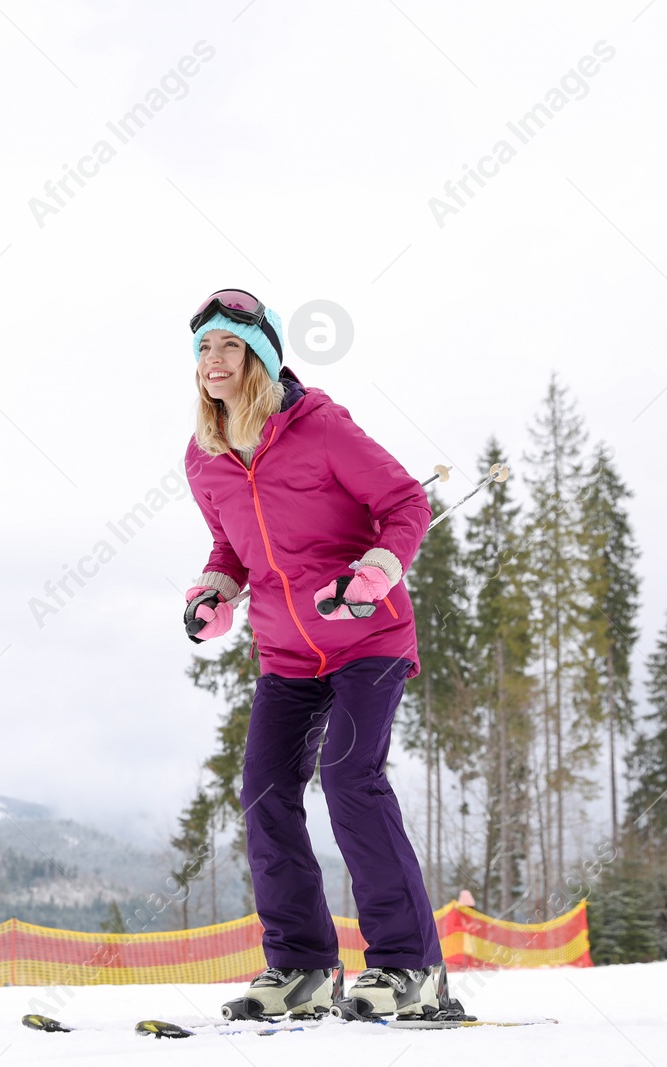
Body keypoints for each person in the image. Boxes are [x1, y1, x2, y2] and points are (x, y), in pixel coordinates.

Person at [180, 288, 461, 1022]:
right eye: (204, 348)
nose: (213, 361)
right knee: (266, 790)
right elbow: (230, 546)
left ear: (261, 358)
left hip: (367, 636)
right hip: (286, 652)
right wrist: (216, 591)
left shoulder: (321, 429)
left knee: (348, 776)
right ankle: (302, 966)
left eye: (229, 347)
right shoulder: (203, 456)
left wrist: (377, 570)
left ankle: (411, 968)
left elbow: (406, 503)